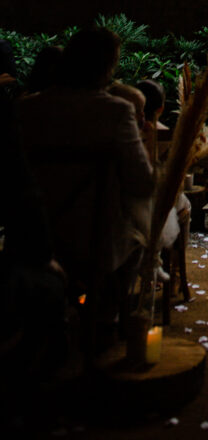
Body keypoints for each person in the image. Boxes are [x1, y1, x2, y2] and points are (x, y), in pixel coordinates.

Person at [16, 26, 155, 342]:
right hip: (94, 242)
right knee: (140, 235)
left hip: (32, 237)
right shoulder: (115, 111)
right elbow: (142, 183)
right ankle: (105, 314)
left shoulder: (26, 109)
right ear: (107, 67)